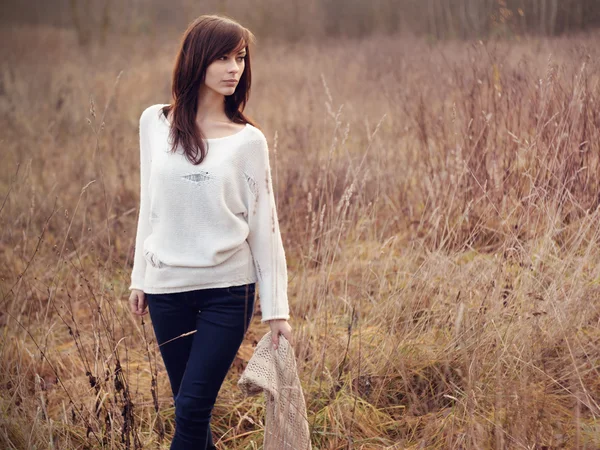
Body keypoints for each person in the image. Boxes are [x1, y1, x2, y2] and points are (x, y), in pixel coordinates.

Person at [127, 14, 293, 449]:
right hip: (167, 289)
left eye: (239, 57)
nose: (234, 68)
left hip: (228, 290)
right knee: (188, 409)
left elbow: (265, 226)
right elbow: (150, 204)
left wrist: (277, 310)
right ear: (197, 60)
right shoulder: (154, 123)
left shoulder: (248, 141)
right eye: (222, 57)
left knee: (193, 407)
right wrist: (140, 277)